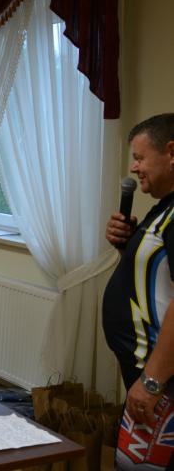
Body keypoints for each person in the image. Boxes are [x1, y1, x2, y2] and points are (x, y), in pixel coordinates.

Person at [102, 113, 174, 470]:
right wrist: (127, 247)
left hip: (162, 384)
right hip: (146, 376)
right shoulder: (164, 209)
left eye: (140, 157)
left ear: (171, 153)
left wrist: (152, 381)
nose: (134, 168)